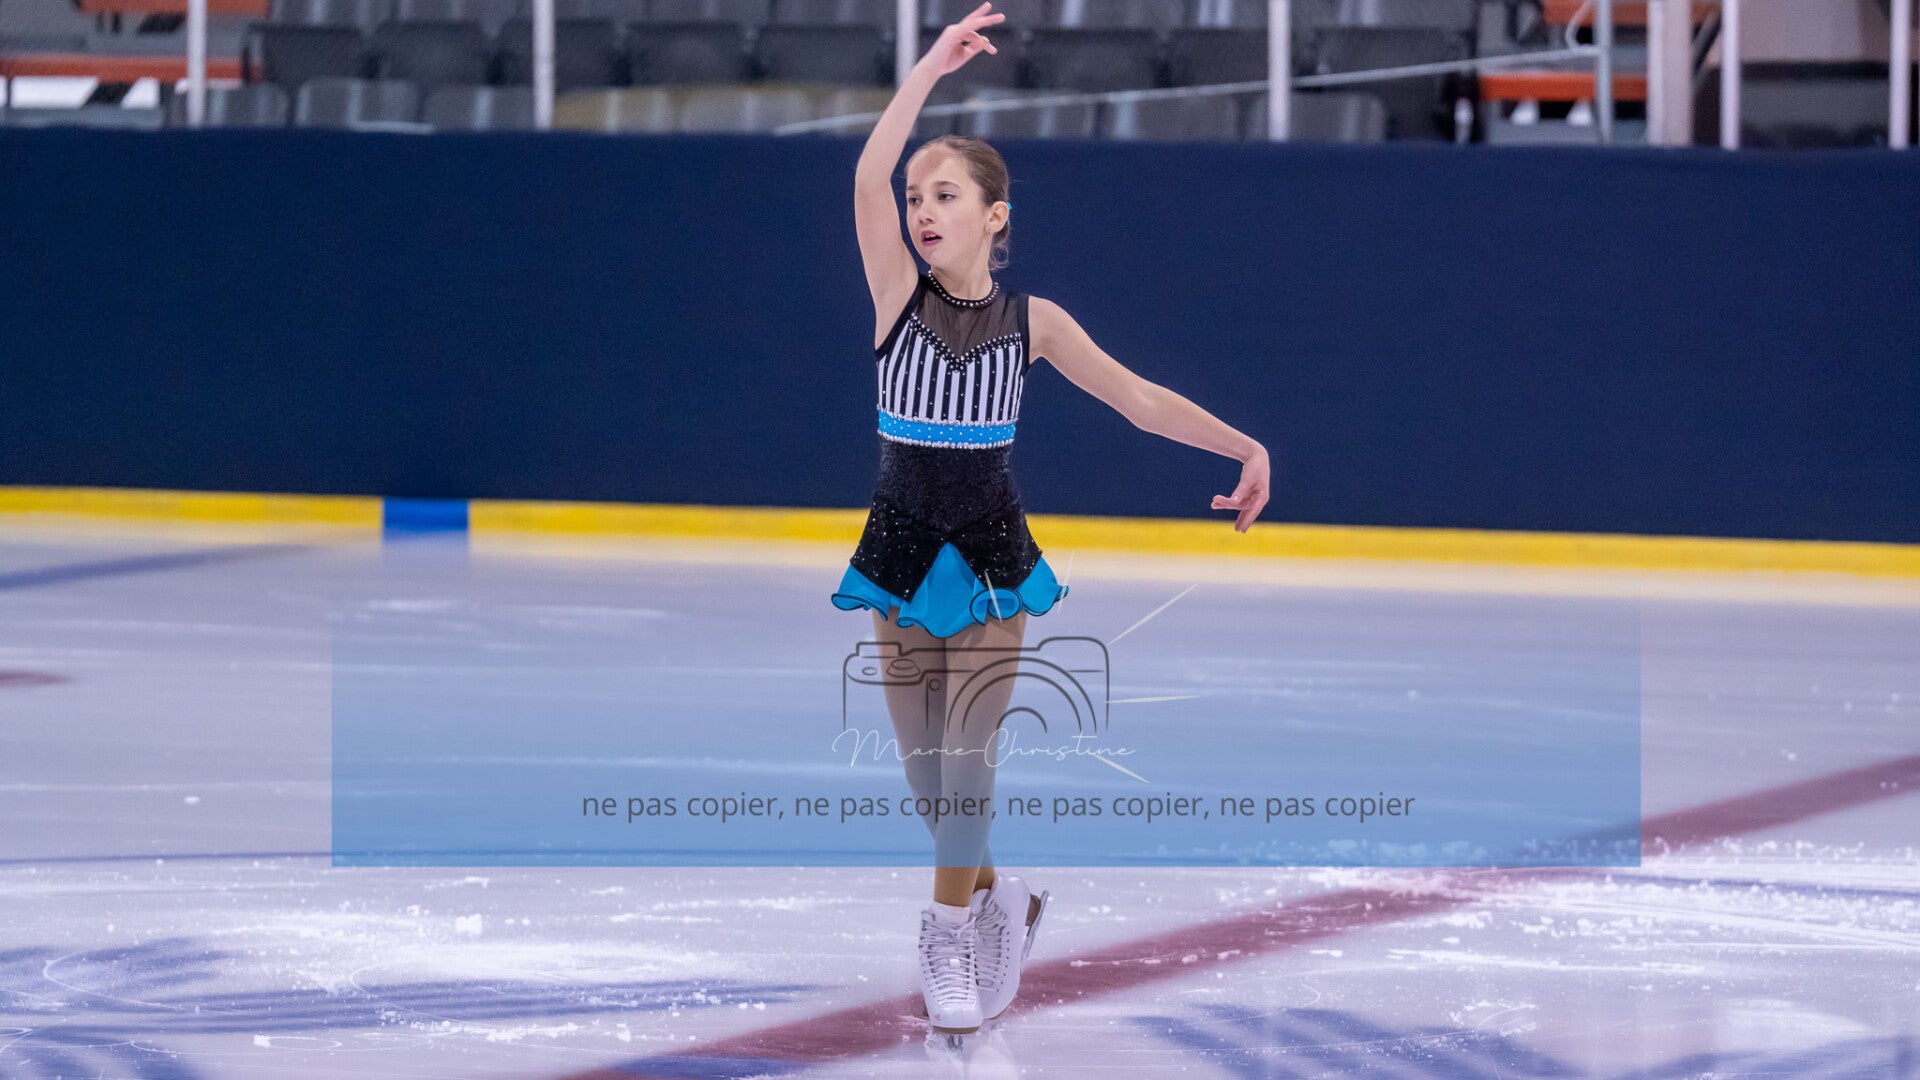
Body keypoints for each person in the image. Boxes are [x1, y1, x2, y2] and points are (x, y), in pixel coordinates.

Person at [830, 0, 1273, 1039]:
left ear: (996, 216)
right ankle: (1004, 900)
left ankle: (947, 936)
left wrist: (1243, 446)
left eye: (945, 194)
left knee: (968, 758)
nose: (921, 209)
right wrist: (929, 69)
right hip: (898, 548)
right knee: (925, 775)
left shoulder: (1036, 324)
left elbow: (1141, 401)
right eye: (916, 197)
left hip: (990, 550)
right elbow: (864, 177)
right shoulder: (896, 298)